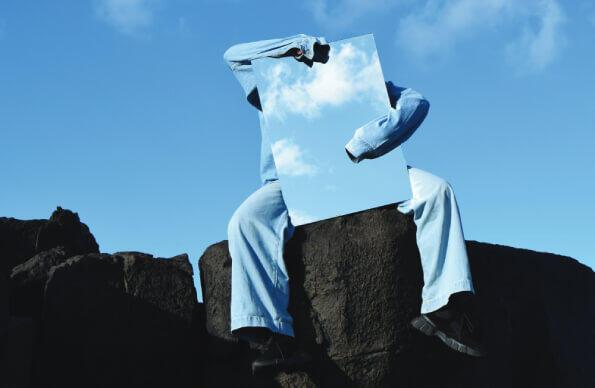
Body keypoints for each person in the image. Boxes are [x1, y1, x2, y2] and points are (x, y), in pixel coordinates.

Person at [223, 34, 485, 375]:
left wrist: (366, 141)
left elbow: (416, 101)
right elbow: (233, 55)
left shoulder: (358, 77)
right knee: (245, 219)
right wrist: (299, 46)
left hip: (368, 170)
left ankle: (444, 307)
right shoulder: (273, 77)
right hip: (290, 180)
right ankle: (270, 336)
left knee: (437, 190)